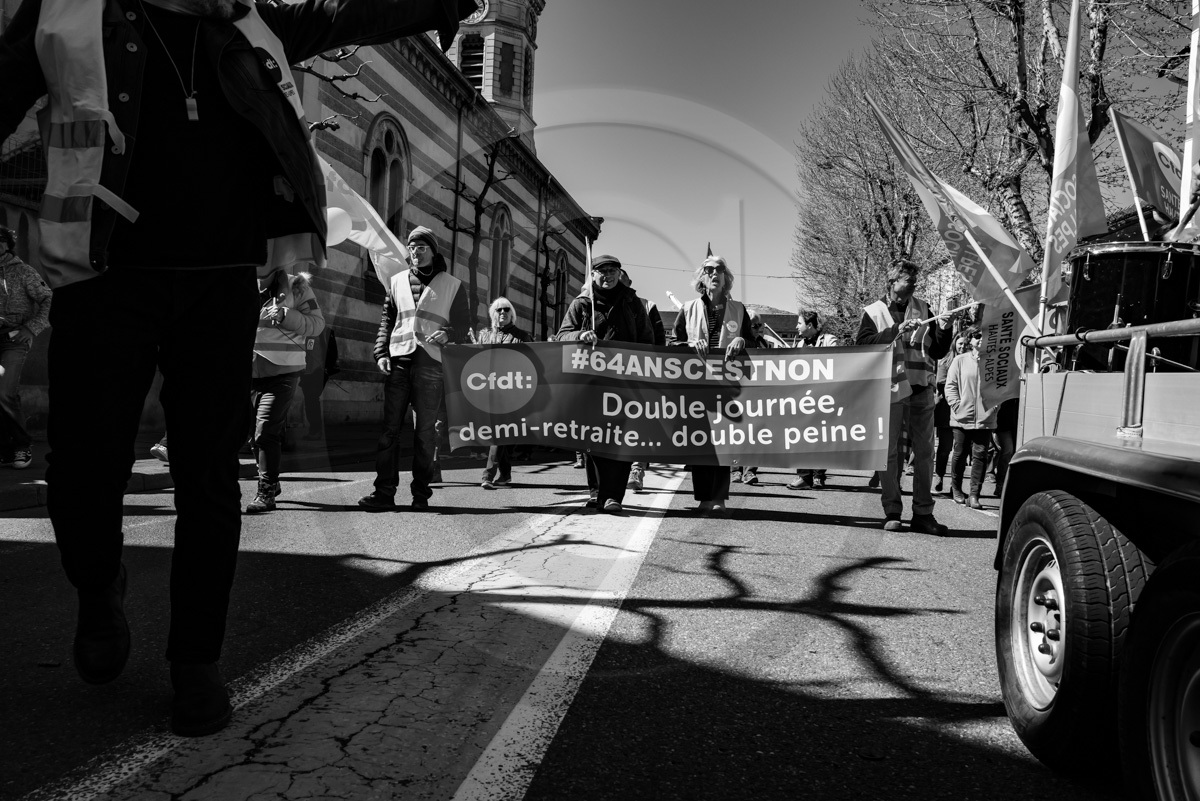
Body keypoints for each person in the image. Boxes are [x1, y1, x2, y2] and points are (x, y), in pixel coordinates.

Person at [0, 0, 475, 737]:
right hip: (105, 275)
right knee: (82, 471)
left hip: (219, 283)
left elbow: (354, 9)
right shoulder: (68, 11)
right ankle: (98, 586)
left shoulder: (254, 23)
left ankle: (197, 661)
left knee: (209, 477)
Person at [359, 225, 469, 511]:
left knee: (425, 434)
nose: (415, 252)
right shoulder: (396, 282)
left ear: (433, 251)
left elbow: (464, 325)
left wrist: (449, 333)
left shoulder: (453, 285)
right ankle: (384, 493)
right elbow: (387, 321)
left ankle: (420, 494)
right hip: (399, 361)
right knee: (389, 432)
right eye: (411, 247)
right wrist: (380, 351)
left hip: (431, 365)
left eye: (421, 247)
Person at [856, 259, 953, 534]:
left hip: (921, 389)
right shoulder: (872, 312)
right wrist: (894, 332)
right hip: (889, 391)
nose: (913, 283)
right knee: (889, 454)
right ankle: (892, 510)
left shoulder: (924, 308)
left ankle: (923, 513)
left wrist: (944, 328)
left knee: (924, 454)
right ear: (892, 281)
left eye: (914, 279)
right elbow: (862, 345)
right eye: (907, 278)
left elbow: (937, 351)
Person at [557, 254, 653, 514]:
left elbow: (647, 340)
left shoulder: (633, 302)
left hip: (625, 383)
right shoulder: (581, 304)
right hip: (591, 382)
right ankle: (596, 492)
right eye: (602, 271)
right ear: (593, 275)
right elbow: (561, 335)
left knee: (621, 438)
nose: (607, 276)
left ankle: (614, 496)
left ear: (619, 274)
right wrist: (580, 334)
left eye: (612, 271)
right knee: (593, 437)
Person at [671, 255, 753, 516]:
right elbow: (672, 345)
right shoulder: (687, 308)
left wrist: (742, 342)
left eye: (719, 269)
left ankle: (719, 497)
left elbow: (756, 347)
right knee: (702, 442)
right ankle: (704, 497)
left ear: (726, 277)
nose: (714, 273)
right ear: (701, 278)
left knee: (724, 441)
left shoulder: (740, 310)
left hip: (729, 385)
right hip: (697, 386)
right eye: (708, 269)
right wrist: (689, 345)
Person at [246, 269, 324, 514]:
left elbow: (317, 325)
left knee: (265, 430)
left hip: (283, 372)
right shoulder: (237, 278)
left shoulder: (296, 284)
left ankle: (266, 491)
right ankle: (272, 480)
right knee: (252, 435)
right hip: (247, 374)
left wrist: (286, 315)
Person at [0, 225, 51, 470]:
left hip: (13, 339)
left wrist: (31, 329)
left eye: (0, 240)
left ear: (7, 244)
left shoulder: (23, 272)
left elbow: (49, 299)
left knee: (4, 391)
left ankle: (21, 446)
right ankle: (6, 449)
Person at [476, 297, 532, 489]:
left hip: (512, 393)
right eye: (498, 310)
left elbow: (532, 364)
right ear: (493, 314)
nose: (502, 313)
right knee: (501, 435)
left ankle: (488, 475)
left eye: (506, 309)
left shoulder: (523, 336)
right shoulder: (484, 335)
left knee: (497, 434)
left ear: (512, 314)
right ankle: (506, 474)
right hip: (488, 391)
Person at [621, 268, 664, 492]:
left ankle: (636, 470)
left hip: (641, 377)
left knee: (638, 424)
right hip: (610, 380)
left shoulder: (648, 306)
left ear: (629, 283)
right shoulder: (593, 304)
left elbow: (659, 343)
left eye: (621, 279)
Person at [944, 328, 995, 509]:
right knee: (960, 453)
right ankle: (956, 489)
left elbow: (1000, 388)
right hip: (961, 417)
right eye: (977, 336)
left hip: (985, 418)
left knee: (980, 455)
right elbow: (950, 386)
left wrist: (995, 406)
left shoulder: (994, 361)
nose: (981, 339)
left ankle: (974, 495)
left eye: (984, 336)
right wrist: (957, 405)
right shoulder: (960, 360)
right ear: (970, 340)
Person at [788, 310, 838, 490]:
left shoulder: (829, 340)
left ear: (809, 325)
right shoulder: (799, 344)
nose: (796, 327)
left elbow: (834, 361)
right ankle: (804, 476)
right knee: (801, 436)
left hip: (824, 396)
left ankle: (818, 475)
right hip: (804, 398)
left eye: (799, 323)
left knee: (821, 436)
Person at [731, 309, 773, 487]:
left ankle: (749, 472)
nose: (758, 328)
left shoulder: (766, 345)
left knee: (755, 435)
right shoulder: (735, 343)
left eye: (760, 325)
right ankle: (735, 470)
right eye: (754, 325)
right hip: (737, 395)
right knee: (736, 433)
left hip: (758, 397)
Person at [934, 333, 969, 493]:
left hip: (965, 410)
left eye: (965, 344)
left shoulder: (971, 362)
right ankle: (939, 476)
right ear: (954, 344)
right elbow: (941, 383)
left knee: (960, 450)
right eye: (960, 344)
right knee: (945, 448)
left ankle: (955, 485)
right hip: (947, 411)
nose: (962, 347)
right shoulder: (946, 361)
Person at [299, 326, 337, 441]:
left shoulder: (325, 331)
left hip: (319, 371)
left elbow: (333, 351)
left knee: (312, 399)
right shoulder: (303, 331)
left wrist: (327, 368)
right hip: (306, 372)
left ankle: (316, 430)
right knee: (309, 400)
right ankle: (315, 430)